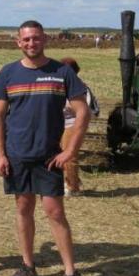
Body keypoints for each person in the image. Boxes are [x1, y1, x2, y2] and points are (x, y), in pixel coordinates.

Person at [0, 20, 93, 276]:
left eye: (36, 38)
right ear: (18, 42)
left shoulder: (61, 72)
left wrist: (70, 151)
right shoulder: (8, 73)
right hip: (18, 155)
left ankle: (70, 271)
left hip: (49, 157)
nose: (31, 43)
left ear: (44, 39)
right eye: (26, 39)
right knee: (23, 209)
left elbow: (83, 112)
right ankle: (27, 265)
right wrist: (1, 154)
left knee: (55, 212)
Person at [59, 57, 99, 196]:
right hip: (59, 124)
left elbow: (84, 110)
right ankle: (71, 181)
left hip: (73, 124)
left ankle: (72, 187)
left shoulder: (80, 87)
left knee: (69, 155)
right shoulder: (59, 85)